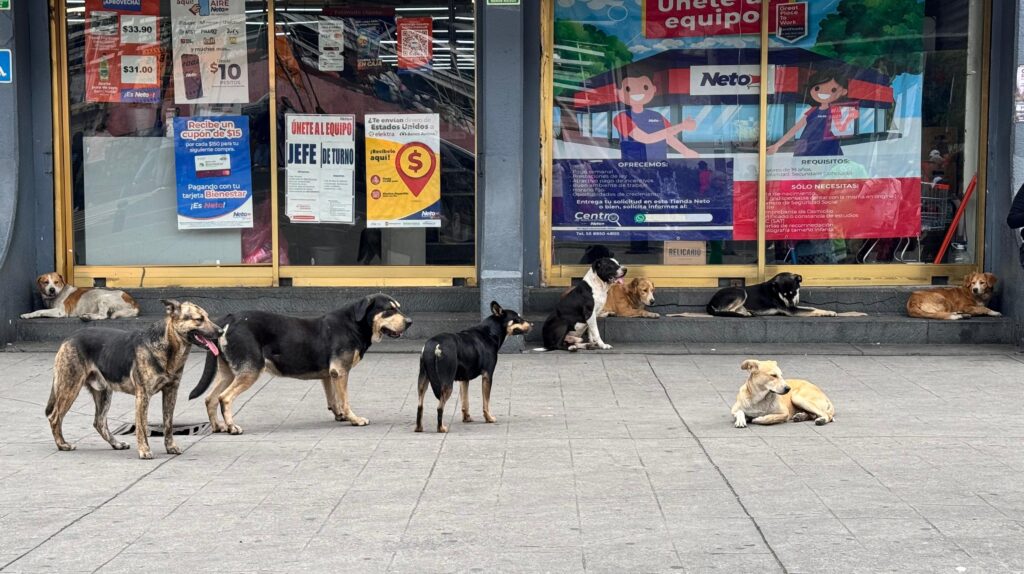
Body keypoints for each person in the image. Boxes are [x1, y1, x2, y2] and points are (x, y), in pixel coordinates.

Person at [767, 69, 860, 157]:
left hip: (829, 149)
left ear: (843, 92)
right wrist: (777, 145)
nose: (823, 93)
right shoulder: (812, 110)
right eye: (817, 88)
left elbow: (844, 131)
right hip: (806, 148)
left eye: (833, 90)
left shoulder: (838, 110)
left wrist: (850, 117)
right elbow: (795, 128)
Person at [612, 75, 699, 160]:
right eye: (628, 89)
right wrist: (682, 126)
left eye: (645, 87)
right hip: (634, 166)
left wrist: (685, 151)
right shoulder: (621, 117)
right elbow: (646, 138)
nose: (637, 91)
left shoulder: (657, 116)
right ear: (617, 92)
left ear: (654, 89)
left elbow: (668, 137)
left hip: (660, 164)